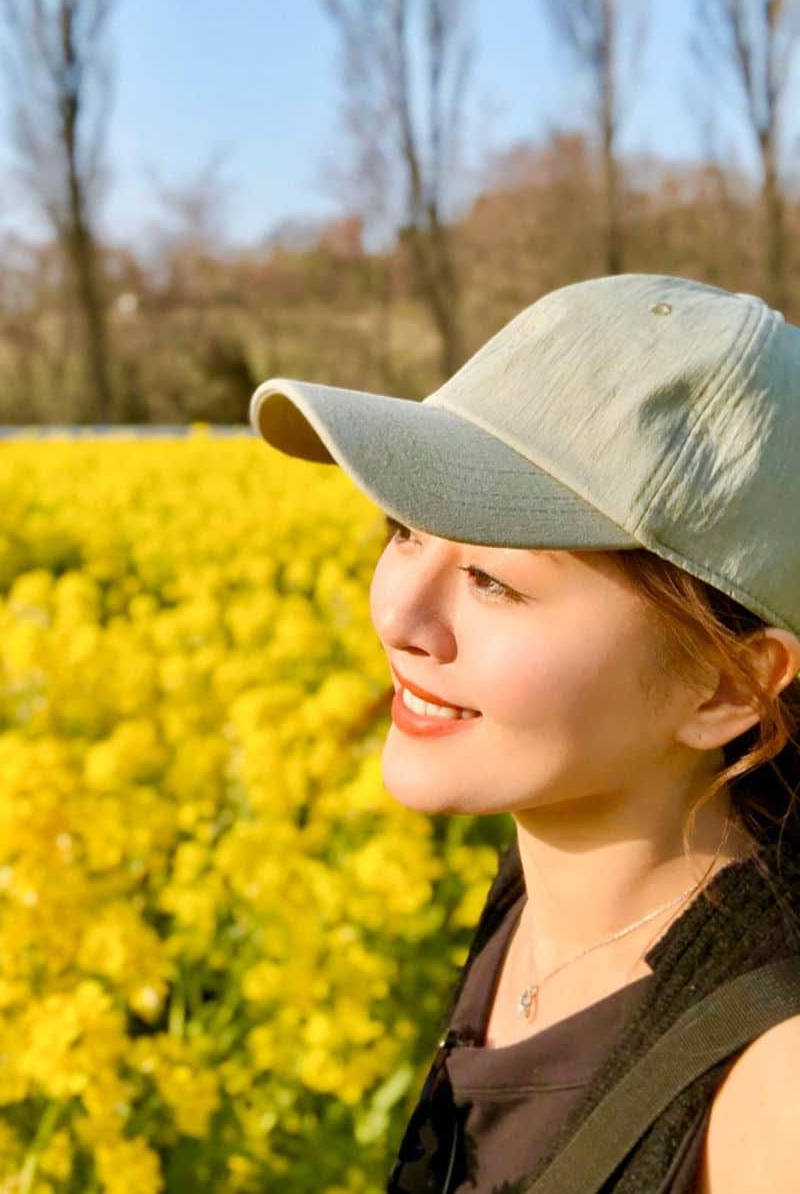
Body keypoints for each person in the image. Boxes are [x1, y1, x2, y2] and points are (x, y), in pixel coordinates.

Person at [248, 273, 800, 1193]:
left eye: (494, 582)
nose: (401, 620)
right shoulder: (532, 907)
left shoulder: (773, 1101)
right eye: (407, 532)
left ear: (731, 685)